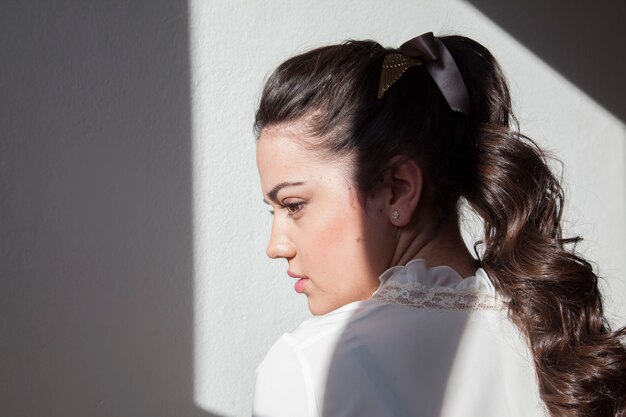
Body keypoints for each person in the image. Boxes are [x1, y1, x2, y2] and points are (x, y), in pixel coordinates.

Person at [251, 32, 626, 417]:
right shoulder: (558, 337)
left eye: (293, 205)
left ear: (398, 190)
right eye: (273, 211)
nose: (275, 245)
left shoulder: (308, 367)